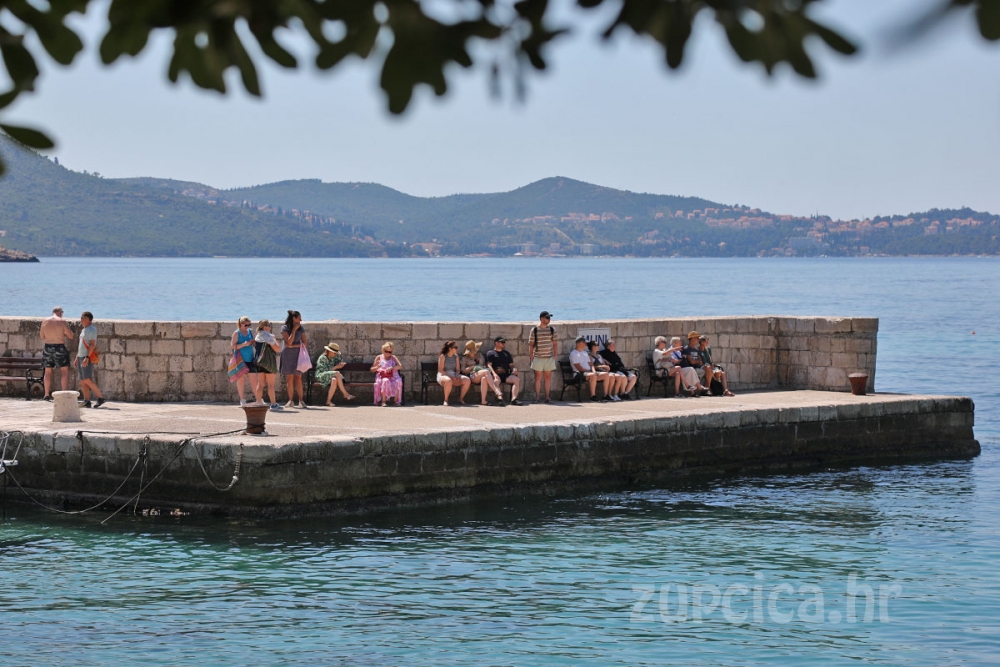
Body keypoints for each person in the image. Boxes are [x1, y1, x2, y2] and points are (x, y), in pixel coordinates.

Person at [40, 305, 74, 401]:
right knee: (64, 371)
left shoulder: (45, 321)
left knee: (47, 372)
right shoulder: (61, 321)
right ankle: (63, 393)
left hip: (48, 347)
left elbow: (42, 336)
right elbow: (71, 336)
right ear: (60, 313)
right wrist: (62, 333)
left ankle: (46, 394)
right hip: (59, 347)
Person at [280, 310, 308, 409]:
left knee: (298, 378)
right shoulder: (284, 328)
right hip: (287, 355)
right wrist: (294, 330)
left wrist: (294, 346)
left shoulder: (302, 329)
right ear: (294, 318)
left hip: (298, 356)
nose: (301, 320)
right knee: (290, 378)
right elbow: (289, 342)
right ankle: (290, 400)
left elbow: (304, 343)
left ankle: (301, 401)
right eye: (299, 318)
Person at [76, 311, 104, 408]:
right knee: (83, 380)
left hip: (86, 357)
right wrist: (77, 357)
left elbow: (92, 345)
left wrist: (87, 358)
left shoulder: (91, 330)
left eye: (82, 318)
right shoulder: (84, 330)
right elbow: (81, 345)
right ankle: (86, 400)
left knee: (87, 379)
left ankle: (100, 397)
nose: (80, 319)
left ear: (88, 319)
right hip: (81, 356)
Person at [569, 336, 612, 401]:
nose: (586, 345)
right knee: (593, 375)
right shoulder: (574, 353)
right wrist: (589, 372)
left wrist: (593, 370)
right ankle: (593, 396)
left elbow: (590, 364)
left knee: (606, 375)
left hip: (589, 373)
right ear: (580, 343)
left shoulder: (585, 353)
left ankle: (605, 395)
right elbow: (578, 367)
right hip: (579, 374)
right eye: (585, 343)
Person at [462, 340, 504, 406]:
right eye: (475, 349)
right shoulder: (465, 359)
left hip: (482, 373)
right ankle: (496, 391)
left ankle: (483, 400)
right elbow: (463, 370)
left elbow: (484, 365)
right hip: (473, 375)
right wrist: (472, 367)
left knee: (484, 378)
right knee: (486, 372)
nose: (476, 350)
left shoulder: (480, 355)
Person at [528, 310, 558, 403]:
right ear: (541, 319)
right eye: (547, 317)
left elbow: (555, 343)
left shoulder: (552, 330)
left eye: (549, 318)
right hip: (538, 357)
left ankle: (547, 397)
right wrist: (531, 356)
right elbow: (531, 344)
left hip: (549, 357)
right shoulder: (535, 330)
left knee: (548, 377)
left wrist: (555, 354)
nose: (549, 319)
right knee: (538, 377)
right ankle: (537, 397)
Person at [253, 319, 283, 410]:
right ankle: (273, 404)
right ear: (265, 327)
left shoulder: (258, 335)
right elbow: (277, 349)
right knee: (271, 385)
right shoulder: (269, 337)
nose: (270, 327)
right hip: (268, 363)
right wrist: (275, 339)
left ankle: (258, 402)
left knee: (260, 384)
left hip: (259, 362)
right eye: (269, 325)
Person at [230, 316, 259, 407]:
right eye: (245, 325)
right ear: (241, 324)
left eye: (248, 324)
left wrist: (253, 342)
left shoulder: (250, 331)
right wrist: (244, 344)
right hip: (240, 359)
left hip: (250, 358)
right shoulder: (236, 333)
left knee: (254, 379)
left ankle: (258, 399)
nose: (247, 326)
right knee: (241, 379)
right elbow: (233, 346)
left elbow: (254, 342)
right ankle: (242, 400)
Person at [315, 342, 355, 406]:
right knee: (337, 373)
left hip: (329, 376)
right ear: (330, 351)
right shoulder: (322, 358)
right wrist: (336, 367)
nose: (335, 354)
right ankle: (345, 394)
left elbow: (340, 360)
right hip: (321, 376)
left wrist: (341, 364)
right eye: (334, 353)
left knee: (334, 380)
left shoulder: (333, 358)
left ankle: (328, 401)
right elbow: (324, 371)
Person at [485, 337, 522, 405]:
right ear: (496, 343)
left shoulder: (506, 353)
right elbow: (489, 365)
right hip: (496, 373)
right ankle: (500, 399)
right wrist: (494, 374)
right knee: (496, 381)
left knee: (516, 380)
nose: (504, 344)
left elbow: (511, 364)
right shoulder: (490, 353)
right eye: (502, 342)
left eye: (504, 342)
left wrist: (514, 369)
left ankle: (514, 399)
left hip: (505, 374)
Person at [437, 340, 471, 406]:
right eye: (455, 347)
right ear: (450, 348)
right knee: (448, 380)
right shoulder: (443, 356)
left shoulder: (456, 356)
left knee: (467, 380)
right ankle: (446, 400)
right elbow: (441, 370)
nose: (457, 349)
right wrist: (451, 377)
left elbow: (458, 369)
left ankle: (460, 398)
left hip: (453, 374)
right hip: (443, 375)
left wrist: (456, 376)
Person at [371, 341, 403, 406]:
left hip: (393, 375)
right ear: (383, 350)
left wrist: (392, 367)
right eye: (386, 351)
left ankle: (396, 401)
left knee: (398, 381)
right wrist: (377, 367)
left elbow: (400, 366)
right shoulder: (379, 357)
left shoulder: (393, 357)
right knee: (385, 380)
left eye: (390, 352)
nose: (388, 353)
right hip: (382, 376)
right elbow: (372, 370)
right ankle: (383, 401)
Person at [680, 331, 709, 396]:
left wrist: (697, 361)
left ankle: (704, 389)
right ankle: (700, 388)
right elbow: (692, 362)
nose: (698, 340)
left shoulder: (696, 349)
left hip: (696, 367)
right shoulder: (687, 349)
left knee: (708, 369)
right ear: (692, 339)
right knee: (692, 371)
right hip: (689, 367)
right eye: (697, 338)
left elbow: (700, 361)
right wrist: (697, 361)